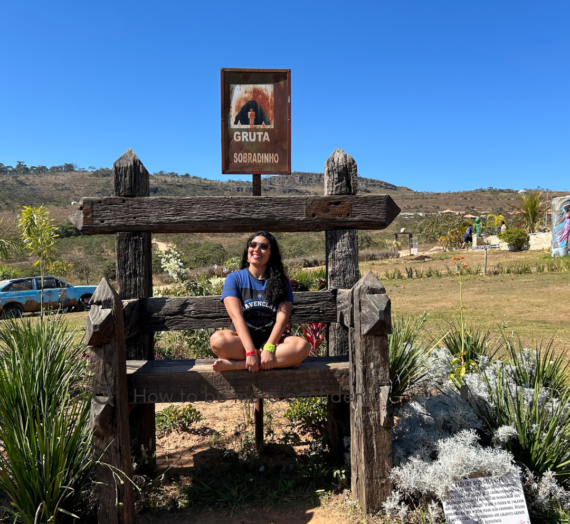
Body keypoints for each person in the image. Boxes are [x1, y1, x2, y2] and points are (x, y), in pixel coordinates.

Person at [210, 231, 310, 372]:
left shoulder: (282, 281)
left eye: (263, 246)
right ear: (248, 250)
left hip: (271, 341)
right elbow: (236, 316)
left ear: (271, 253)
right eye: (253, 245)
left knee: (302, 346)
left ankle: (240, 365)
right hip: (240, 341)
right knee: (217, 340)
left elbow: (282, 319)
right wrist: (250, 351)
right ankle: (279, 361)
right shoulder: (235, 279)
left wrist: (269, 347)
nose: (257, 249)